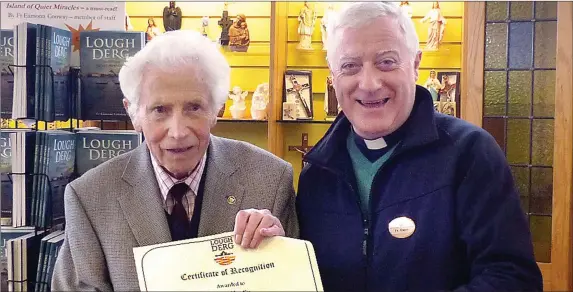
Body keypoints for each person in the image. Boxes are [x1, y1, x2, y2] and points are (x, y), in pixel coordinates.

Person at [296, 2, 542, 291]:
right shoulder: (317, 173)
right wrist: (269, 245)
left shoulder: (469, 153)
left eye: (386, 62)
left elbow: (512, 278)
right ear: (333, 74)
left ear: (415, 65)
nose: (370, 83)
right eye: (350, 66)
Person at [52, 30, 298, 291]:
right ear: (133, 114)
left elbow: (295, 283)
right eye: (160, 110)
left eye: (194, 108)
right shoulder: (90, 197)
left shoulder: (270, 180)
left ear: (216, 110)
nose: (178, 131)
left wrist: (281, 256)